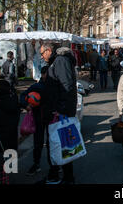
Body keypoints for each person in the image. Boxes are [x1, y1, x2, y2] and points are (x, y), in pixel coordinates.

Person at [39, 42, 77, 184]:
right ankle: (55, 173)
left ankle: (64, 177)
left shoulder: (60, 61)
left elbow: (66, 85)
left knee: (61, 144)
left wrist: (60, 109)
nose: (42, 57)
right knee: (58, 144)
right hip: (57, 112)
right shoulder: (58, 61)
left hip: (60, 114)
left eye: (42, 53)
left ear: (49, 51)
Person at [19, 66, 50, 176]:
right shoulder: (37, 86)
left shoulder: (53, 86)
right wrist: (26, 105)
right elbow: (22, 96)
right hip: (39, 118)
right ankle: (36, 163)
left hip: (51, 118)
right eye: (46, 73)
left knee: (52, 142)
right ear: (42, 74)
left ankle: (54, 165)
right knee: (38, 142)